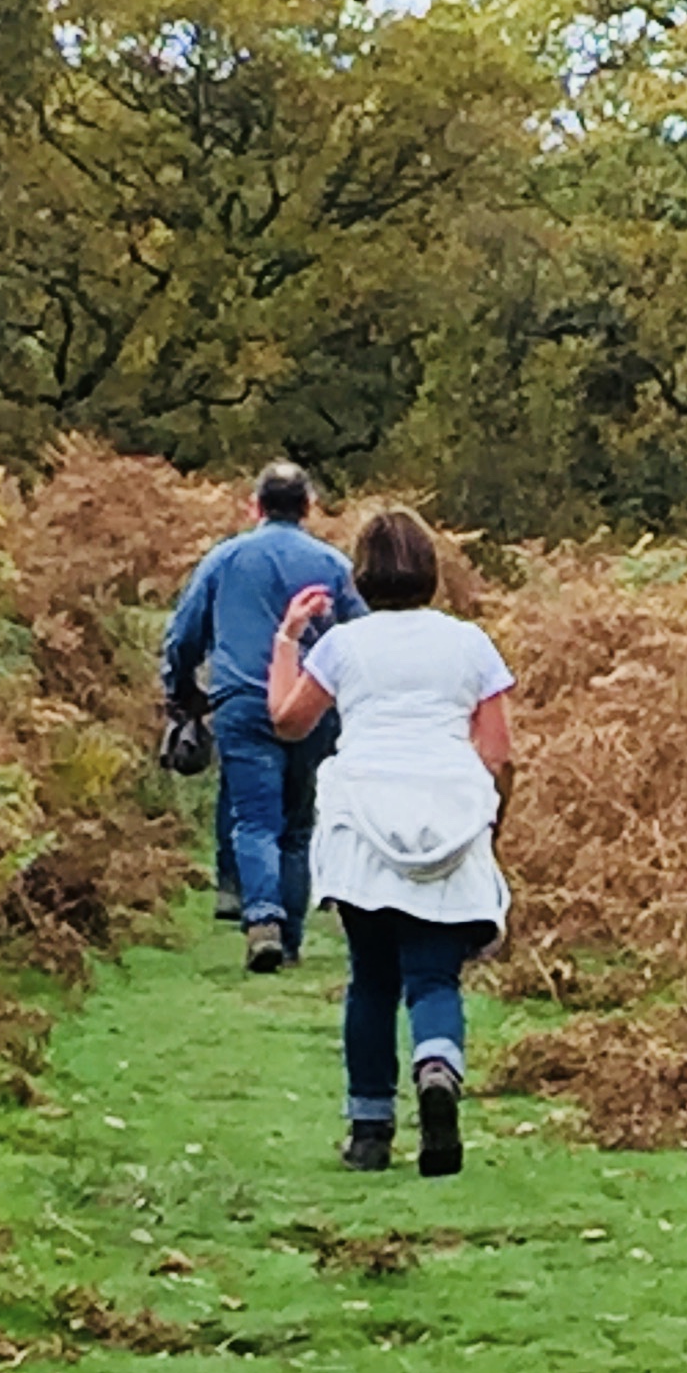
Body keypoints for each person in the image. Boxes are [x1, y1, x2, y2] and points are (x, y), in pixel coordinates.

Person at [268, 508, 514, 1178]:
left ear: (360, 576)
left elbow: (289, 723)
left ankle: (370, 1130)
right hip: (449, 818)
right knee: (433, 977)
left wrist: (288, 639)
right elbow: (496, 752)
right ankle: (437, 1068)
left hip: (364, 823)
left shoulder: (343, 646)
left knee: (371, 980)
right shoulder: (471, 645)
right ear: (433, 572)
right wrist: (492, 828)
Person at [162, 463, 365, 973]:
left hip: (242, 703)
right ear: (309, 507)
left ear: (255, 507)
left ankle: (262, 919)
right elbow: (364, 636)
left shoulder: (224, 559)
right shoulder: (333, 565)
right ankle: (290, 939)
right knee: (298, 823)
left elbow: (184, 633)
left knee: (253, 818)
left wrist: (181, 690)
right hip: (311, 704)